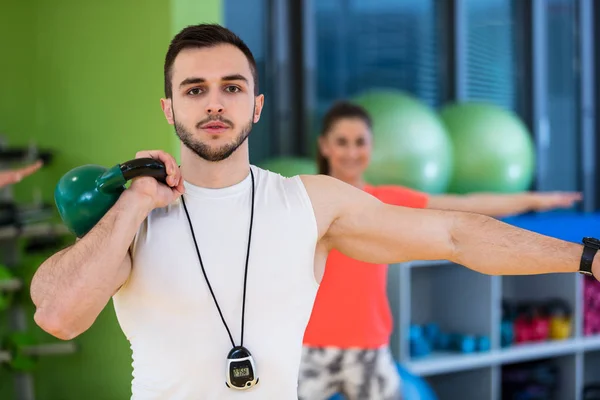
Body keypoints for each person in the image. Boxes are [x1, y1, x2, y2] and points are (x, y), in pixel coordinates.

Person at [29, 24, 598, 400]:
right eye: (194, 88)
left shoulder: (310, 202)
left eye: (231, 87)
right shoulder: (133, 215)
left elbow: (454, 234)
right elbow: (57, 315)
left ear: (255, 106)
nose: (213, 103)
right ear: (168, 106)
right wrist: (133, 202)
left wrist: (587, 256)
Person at [298, 101, 583, 400]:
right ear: (324, 145)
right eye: (342, 142)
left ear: (372, 146)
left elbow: (466, 206)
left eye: (360, 142)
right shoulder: (308, 201)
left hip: (368, 345)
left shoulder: (385, 200)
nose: (352, 152)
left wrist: (534, 201)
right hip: (309, 344)